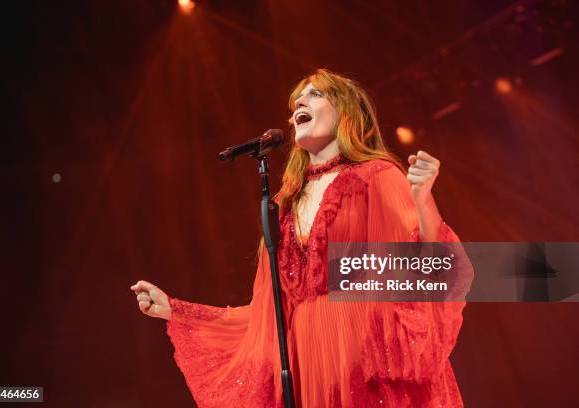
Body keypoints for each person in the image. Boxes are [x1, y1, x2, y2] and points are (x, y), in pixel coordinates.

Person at [130, 69, 467, 407]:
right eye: (296, 101)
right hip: (306, 370)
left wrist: (423, 199)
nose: (299, 103)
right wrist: (178, 311)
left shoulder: (375, 176)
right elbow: (267, 315)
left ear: (347, 112)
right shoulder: (283, 203)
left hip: (363, 366)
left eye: (316, 94)